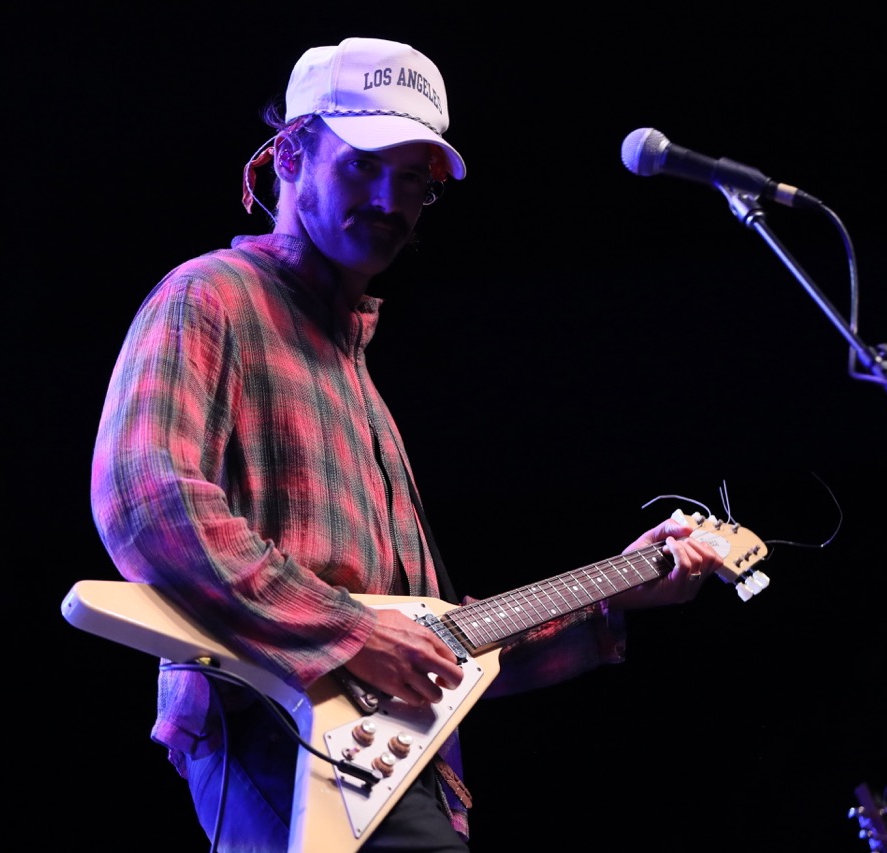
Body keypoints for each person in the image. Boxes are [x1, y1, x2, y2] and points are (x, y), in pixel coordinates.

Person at [89, 36, 724, 852]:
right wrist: (350, 631)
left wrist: (619, 591)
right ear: (290, 155)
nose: (392, 199)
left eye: (416, 179)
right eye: (364, 165)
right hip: (279, 733)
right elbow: (145, 499)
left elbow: (436, 643)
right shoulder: (212, 297)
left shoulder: (362, 392)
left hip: (395, 770)